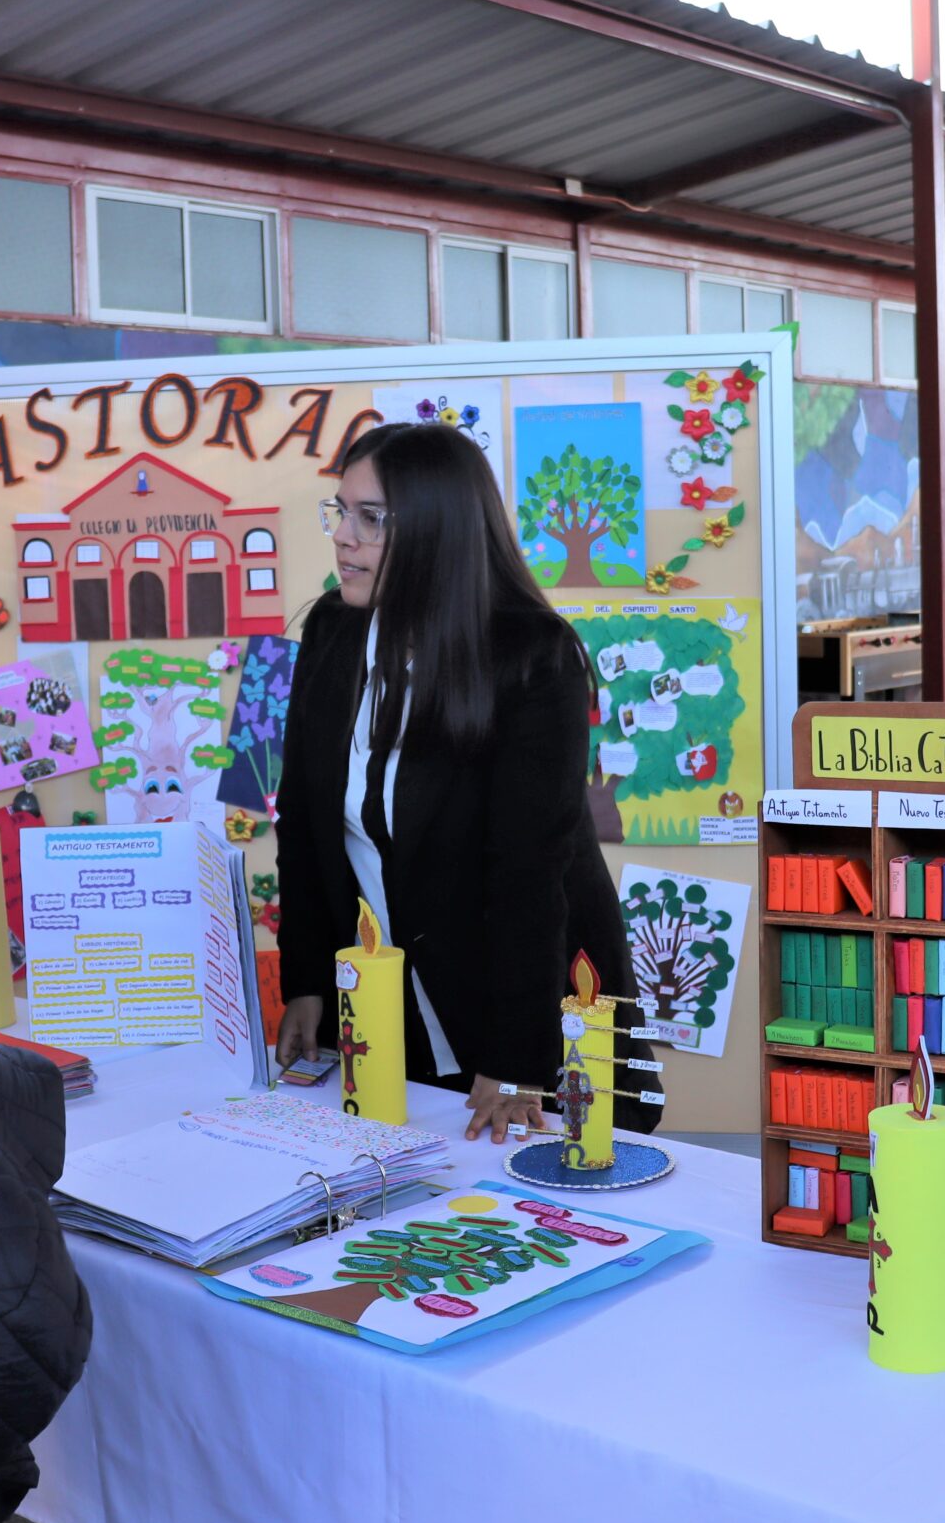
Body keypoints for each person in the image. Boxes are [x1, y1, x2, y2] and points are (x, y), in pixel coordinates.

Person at [271, 421, 656, 1143]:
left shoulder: (533, 657)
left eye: (371, 518)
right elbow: (303, 820)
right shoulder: (332, 631)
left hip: (523, 1009)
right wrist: (309, 982)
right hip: (391, 1010)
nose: (343, 537)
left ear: (436, 531)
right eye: (341, 512)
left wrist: (516, 1059)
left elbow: (527, 874)